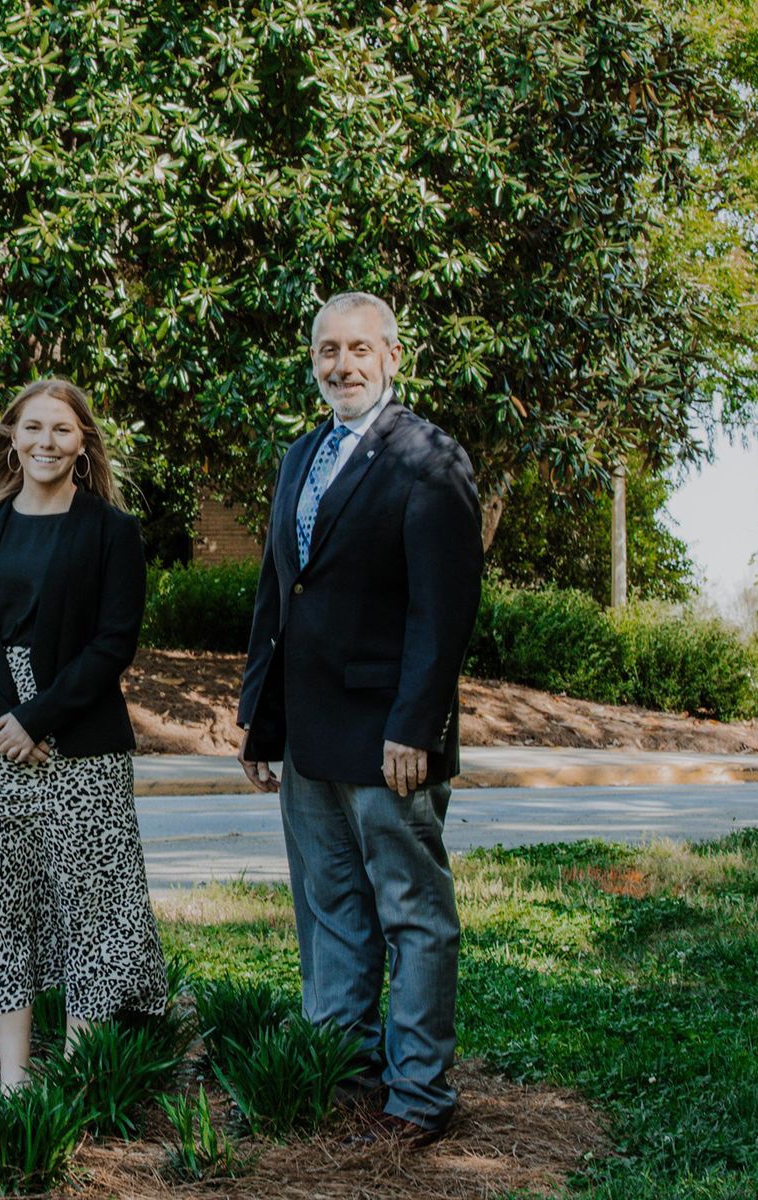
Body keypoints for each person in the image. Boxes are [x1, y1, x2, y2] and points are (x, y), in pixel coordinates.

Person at [237, 292, 482, 1143]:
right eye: (326, 350)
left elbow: (444, 611)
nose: (341, 365)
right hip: (308, 735)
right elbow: (279, 593)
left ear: (391, 354)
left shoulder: (428, 457)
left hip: (390, 740)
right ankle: (344, 1079)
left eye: (357, 349)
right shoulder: (301, 455)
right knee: (330, 908)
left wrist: (417, 726)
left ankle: (419, 1098)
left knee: (412, 915)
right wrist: (258, 719)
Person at [0, 377, 168, 1090]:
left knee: (90, 908)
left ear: (83, 443)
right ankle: (13, 1076)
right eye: (32, 428)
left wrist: (37, 720)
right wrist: (1, 723)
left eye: (61, 430)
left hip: (83, 747)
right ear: (11, 437)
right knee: (2, 908)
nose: (45, 442)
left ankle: (77, 1071)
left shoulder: (112, 532)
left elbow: (113, 642)